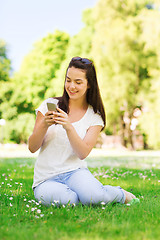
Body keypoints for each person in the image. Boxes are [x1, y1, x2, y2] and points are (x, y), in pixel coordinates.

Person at [28, 56, 136, 206]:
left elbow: (82, 152)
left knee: (94, 198)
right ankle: (82, 194)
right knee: (69, 200)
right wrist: (44, 125)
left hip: (75, 172)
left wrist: (68, 126)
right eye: (68, 80)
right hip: (45, 178)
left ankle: (119, 194)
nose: (71, 86)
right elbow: (32, 147)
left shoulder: (95, 116)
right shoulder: (49, 105)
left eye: (78, 82)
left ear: (89, 84)